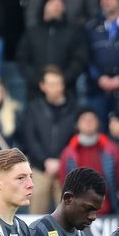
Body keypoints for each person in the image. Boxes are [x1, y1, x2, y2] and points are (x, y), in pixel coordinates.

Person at [21, 66, 82, 215]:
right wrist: (45, 161)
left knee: (68, 215)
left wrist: (61, 161)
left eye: (59, 83)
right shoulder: (34, 108)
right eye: (52, 84)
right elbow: (30, 138)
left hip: (66, 168)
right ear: (43, 86)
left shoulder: (75, 108)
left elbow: (76, 139)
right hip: (40, 168)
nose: (57, 88)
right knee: (36, 213)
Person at [16, 0, 89, 100]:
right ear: (44, 6)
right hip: (36, 91)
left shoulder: (73, 33)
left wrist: (62, 80)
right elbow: (22, 60)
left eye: (60, 4)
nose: (57, 7)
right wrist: (40, 81)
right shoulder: (32, 33)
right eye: (53, 3)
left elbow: (79, 59)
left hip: (66, 91)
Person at [59, 108, 119, 215]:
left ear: (98, 123)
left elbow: (118, 176)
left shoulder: (111, 149)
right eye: (84, 119)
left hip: (105, 209)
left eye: (92, 119)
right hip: (77, 210)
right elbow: (63, 180)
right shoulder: (69, 152)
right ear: (77, 124)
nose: (88, 122)